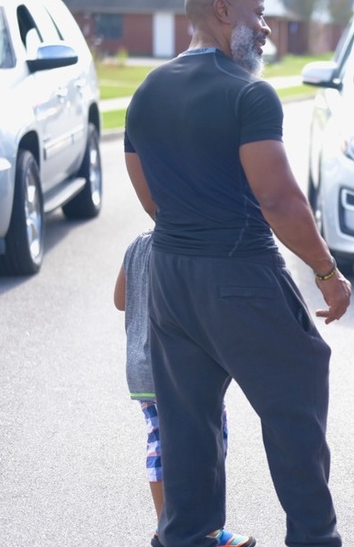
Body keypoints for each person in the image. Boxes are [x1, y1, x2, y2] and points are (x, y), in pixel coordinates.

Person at [124, 0, 352, 547]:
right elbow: (278, 198)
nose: (268, 29)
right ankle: (313, 538)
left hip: (172, 281)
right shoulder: (248, 92)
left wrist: (191, 232)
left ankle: (188, 536)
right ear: (221, 11)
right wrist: (327, 273)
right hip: (241, 274)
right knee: (295, 407)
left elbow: (148, 195)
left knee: (187, 421)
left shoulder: (147, 91)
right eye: (258, 15)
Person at [114, 229, 254, 547]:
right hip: (176, 368)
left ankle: (169, 525)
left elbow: (119, 300)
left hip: (141, 367)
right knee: (206, 440)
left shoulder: (137, 244)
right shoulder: (188, 246)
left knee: (162, 441)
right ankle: (193, 530)